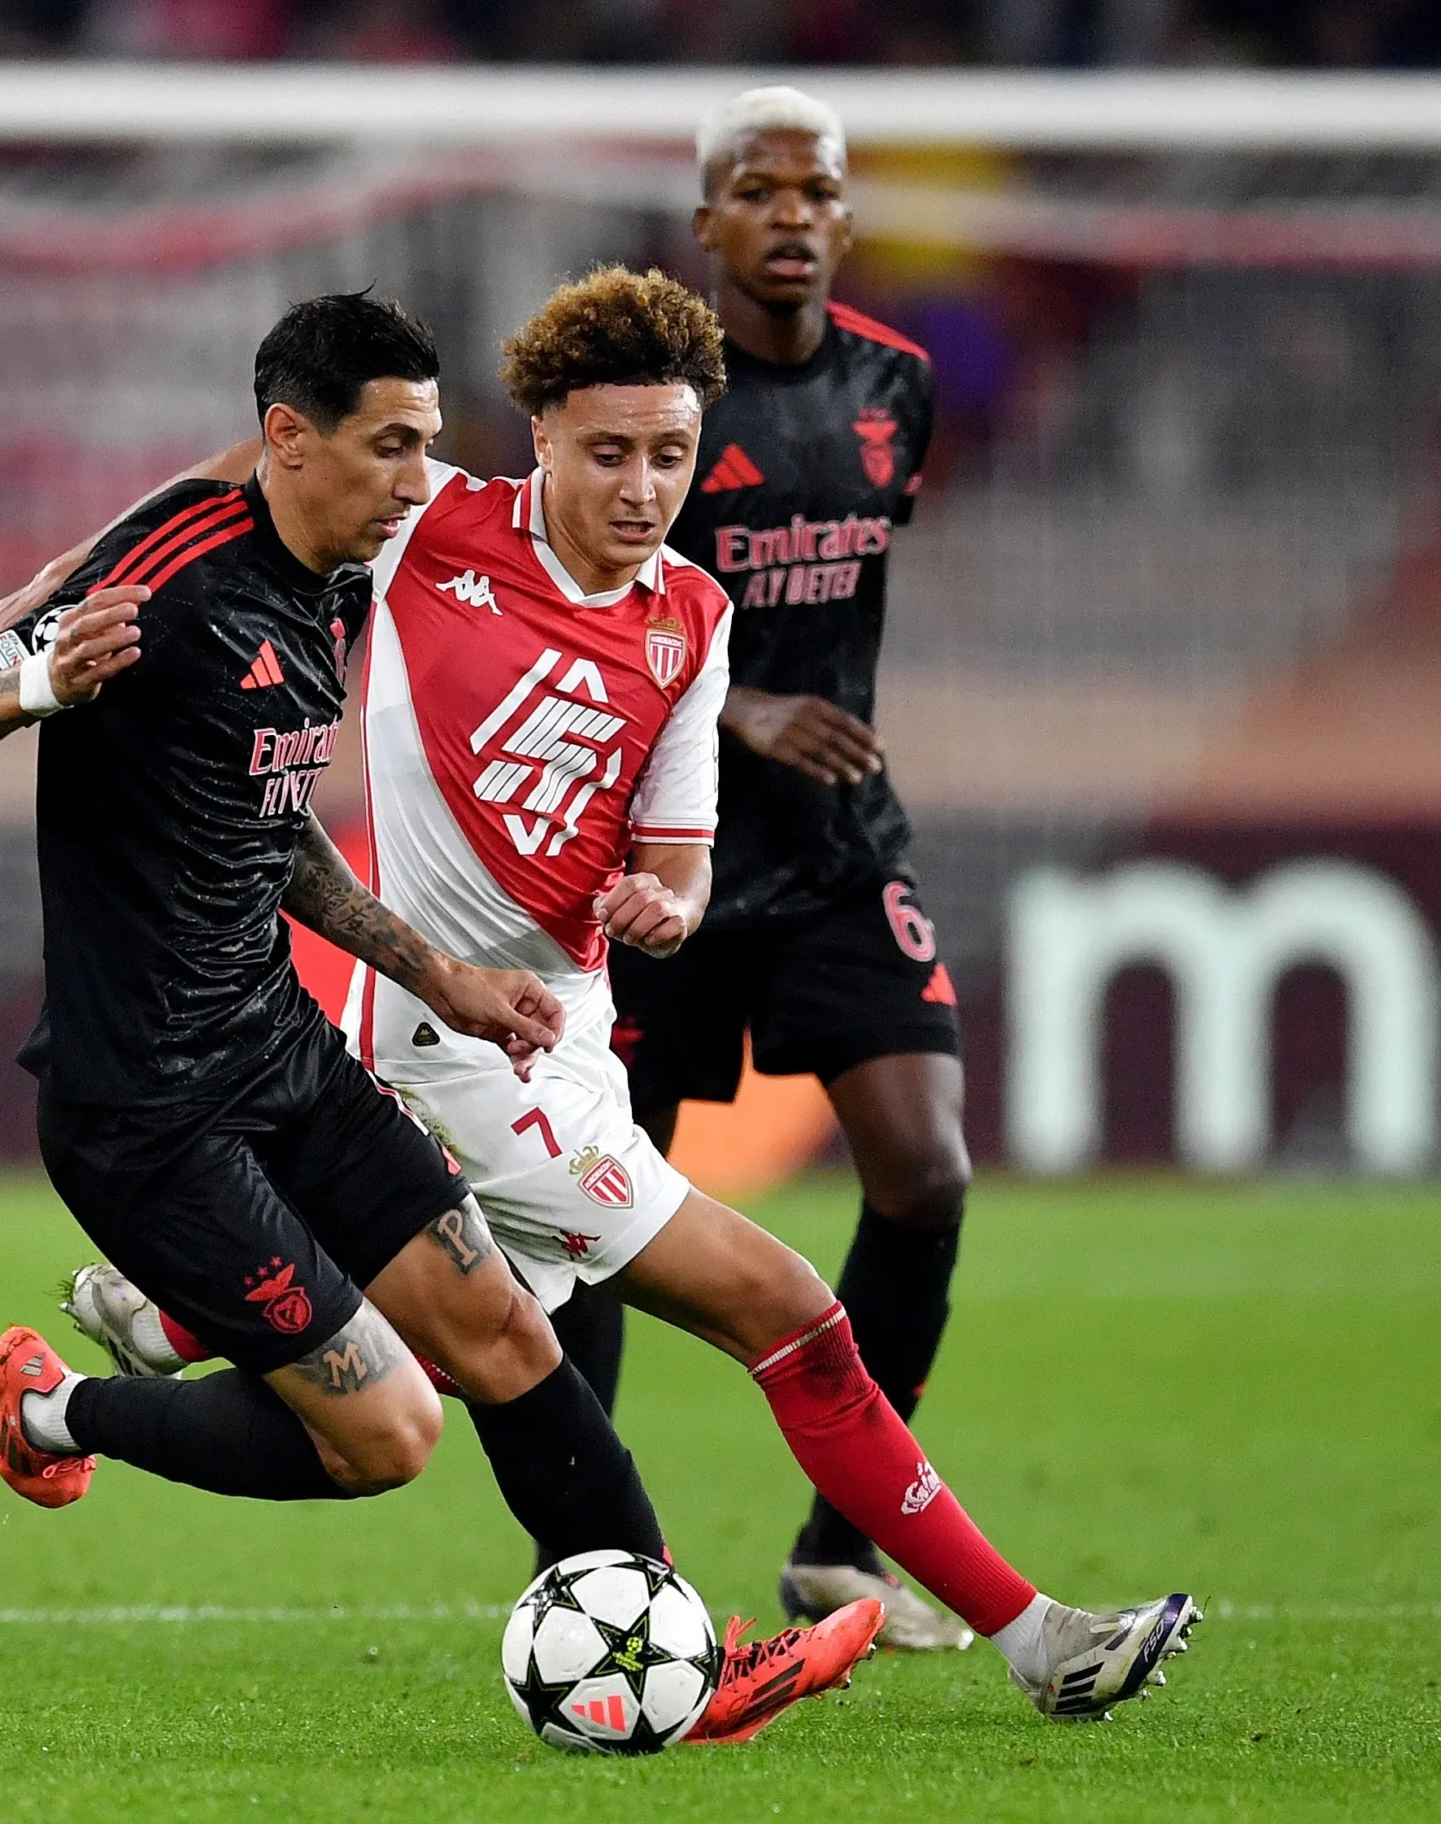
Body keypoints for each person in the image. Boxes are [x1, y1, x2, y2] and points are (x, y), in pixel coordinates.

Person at [32, 269, 1199, 1723]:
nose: (645, 487)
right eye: (609, 452)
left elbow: (678, 850)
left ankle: (127, 1356)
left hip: (572, 1035)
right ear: (536, 436)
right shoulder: (427, 524)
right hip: (453, 1044)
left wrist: (673, 903)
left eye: (671, 455)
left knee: (448, 1371)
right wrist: (46, 617)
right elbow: (235, 482)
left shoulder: (693, 619)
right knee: (784, 1311)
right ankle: (1030, 1642)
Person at [0, 292, 878, 1743]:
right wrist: (29, 684)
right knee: (390, 1436)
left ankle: (665, 1642)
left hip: (284, 1053)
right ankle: (53, 1412)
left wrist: (444, 981)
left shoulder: (335, 578)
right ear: (289, 438)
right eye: (394, 445)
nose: (421, 481)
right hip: (145, 1113)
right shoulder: (169, 573)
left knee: (506, 1336)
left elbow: (270, 827)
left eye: (430, 443)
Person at [558, 84, 981, 1651]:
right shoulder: (653, 405)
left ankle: (841, 1547)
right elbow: (582, 602)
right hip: (658, 862)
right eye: (760, 190)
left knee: (925, 1167)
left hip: (833, 848)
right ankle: (593, 1555)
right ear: (707, 223)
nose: (793, 214)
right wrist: (738, 703)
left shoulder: (900, 386)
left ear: (847, 217)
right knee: (591, 1207)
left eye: (818, 190)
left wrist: (802, 715)